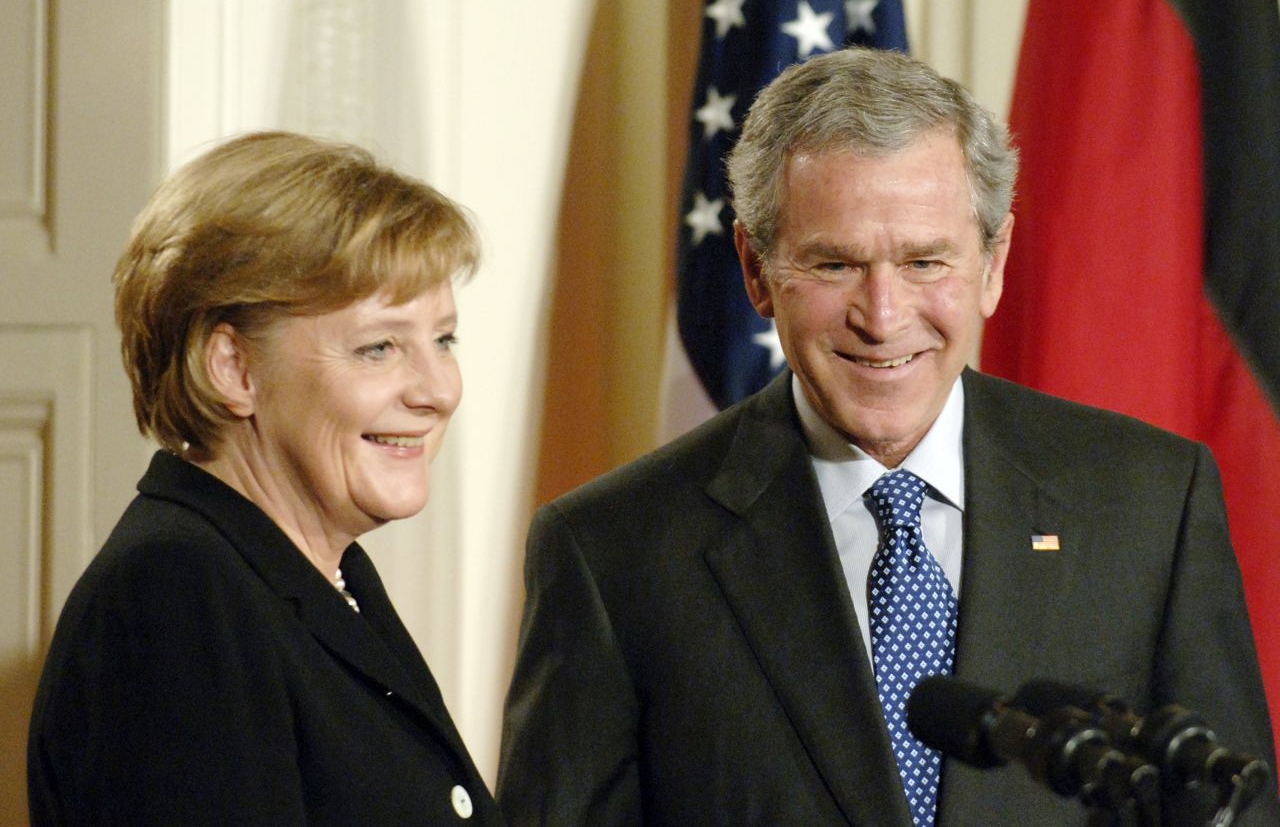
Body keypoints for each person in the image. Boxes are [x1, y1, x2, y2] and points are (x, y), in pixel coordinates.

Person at [497, 49, 1280, 826]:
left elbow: (1234, 812)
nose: (883, 314)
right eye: (835, 264)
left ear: (993, 262)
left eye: (924, 260)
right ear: (756, 269)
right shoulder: (613, 553)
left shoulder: (1148, 503)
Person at [28, 131, 504, 826]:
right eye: (380, 347)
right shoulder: (175, 595)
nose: (439, 389)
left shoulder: (319, 578)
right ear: (234, 368)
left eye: (443, 339)